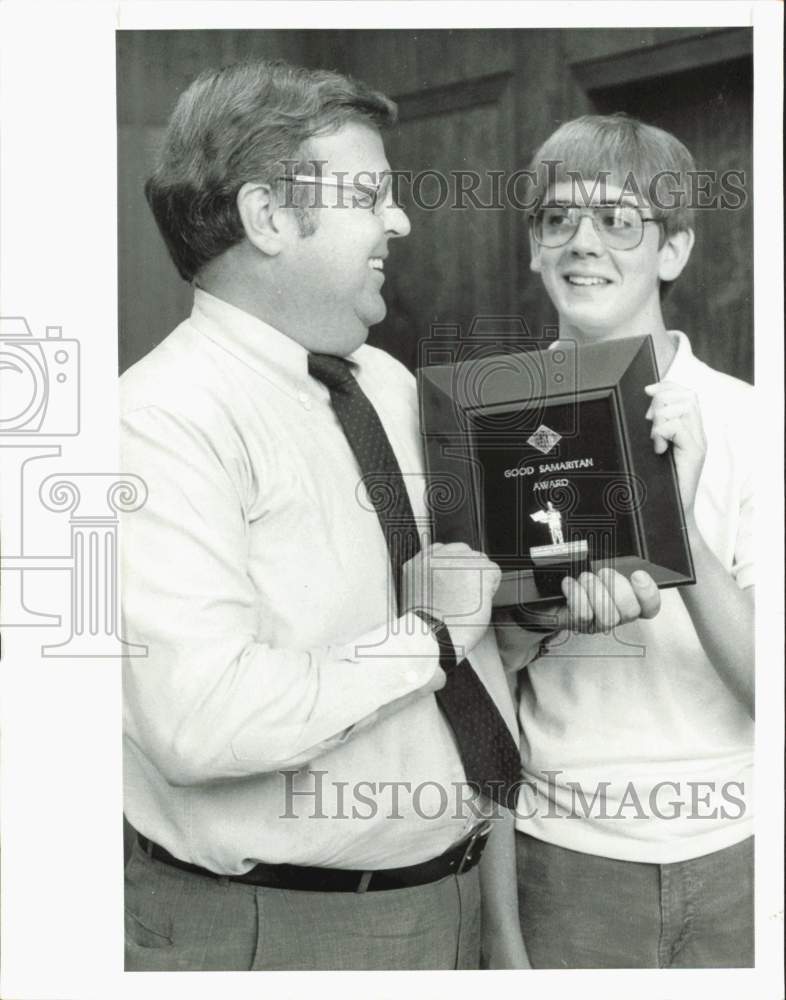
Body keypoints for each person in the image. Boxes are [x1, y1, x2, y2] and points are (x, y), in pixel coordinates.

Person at [120, 61, 659, 972]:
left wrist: (534, 615)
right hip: (279, 932)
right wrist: (433, 635)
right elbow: (200, 724)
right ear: (269, 217)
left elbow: (445, 608)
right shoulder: (155, 423)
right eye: (370, 194)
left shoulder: (387, 381)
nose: (399, 220)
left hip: (459, 894)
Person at [507, 114, 754, 969]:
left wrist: (671, 530)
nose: (584, 245)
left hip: (742, 848)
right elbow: (472, 677)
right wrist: (542, 617)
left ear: (674, 249)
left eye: (619, 220)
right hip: (563, 852)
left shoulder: (757, 424)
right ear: (535, 248)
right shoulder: (494, 420)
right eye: (557, 220)